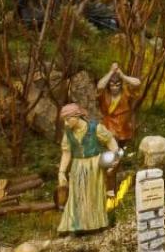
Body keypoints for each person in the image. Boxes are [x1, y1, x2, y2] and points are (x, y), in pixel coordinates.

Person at [56, 103, 118, 235]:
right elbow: (66, 152)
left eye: (68, 120)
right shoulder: (68, 133)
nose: (66, 124)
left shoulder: (95, 128)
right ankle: (76, 225)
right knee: (77, 197)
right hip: (77, 166)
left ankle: (96, 224)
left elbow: (110, 141)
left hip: (94, 165)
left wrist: (114, 158)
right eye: (64, 121)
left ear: (77, 116)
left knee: (93, 195)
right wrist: (61, 172)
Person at [95, 62, 142, 146]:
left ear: (121, 85)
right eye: (112, 85)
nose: (114, 88)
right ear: (109, 86)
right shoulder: (104, 94)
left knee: (119, 151)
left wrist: (122, 75)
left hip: (123, 128)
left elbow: (137, 83)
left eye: (117, 85)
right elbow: (100, 86)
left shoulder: (126, 93)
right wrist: (111, 72)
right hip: (107, 127)